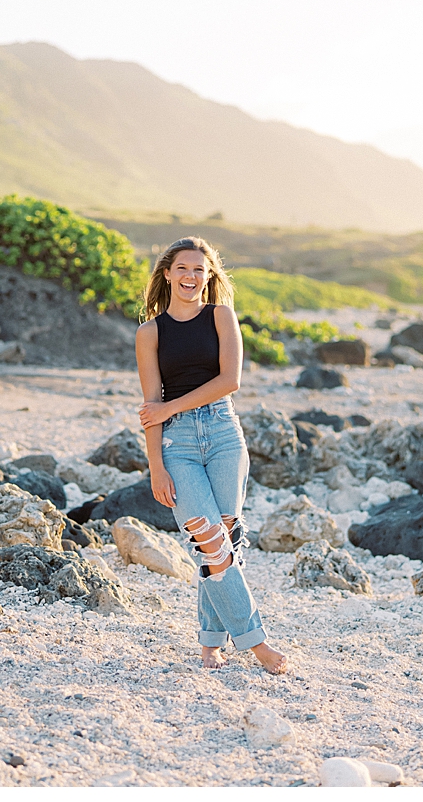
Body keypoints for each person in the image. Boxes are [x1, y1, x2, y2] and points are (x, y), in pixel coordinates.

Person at [134, 236, 288, 674]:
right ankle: (256, 644)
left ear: (210, 276)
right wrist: (156, 468)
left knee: (223, 545)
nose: (190, 277)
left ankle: (209, 644)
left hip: (223, 433)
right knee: (210, 540)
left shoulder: (221, 316)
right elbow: (151, 408)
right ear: (167, 273)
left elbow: (230, 381)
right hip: (177, 445)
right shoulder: (149, 333)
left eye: (199, 270)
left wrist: (170, 406)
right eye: (182, 268)